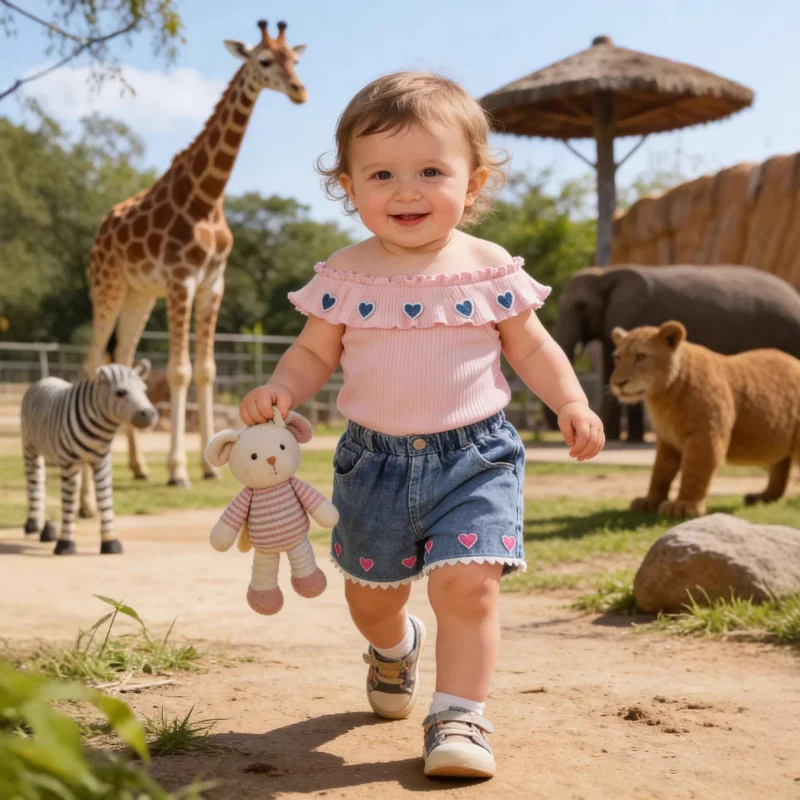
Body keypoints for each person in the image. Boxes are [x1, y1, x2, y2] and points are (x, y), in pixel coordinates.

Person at [239, 70, 605, 779]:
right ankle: (394, 646)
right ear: (348, 185)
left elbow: (530, 345)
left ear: (473, 184)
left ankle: (460, 714)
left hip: (476, 458)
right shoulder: (346, 275)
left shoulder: (488, 267)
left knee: (469, 586)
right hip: (371, 464)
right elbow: (315, 352)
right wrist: (282, 388)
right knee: (370, 598)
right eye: (382, 173)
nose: (406, 189)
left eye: (431, 170)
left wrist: (571, 401)